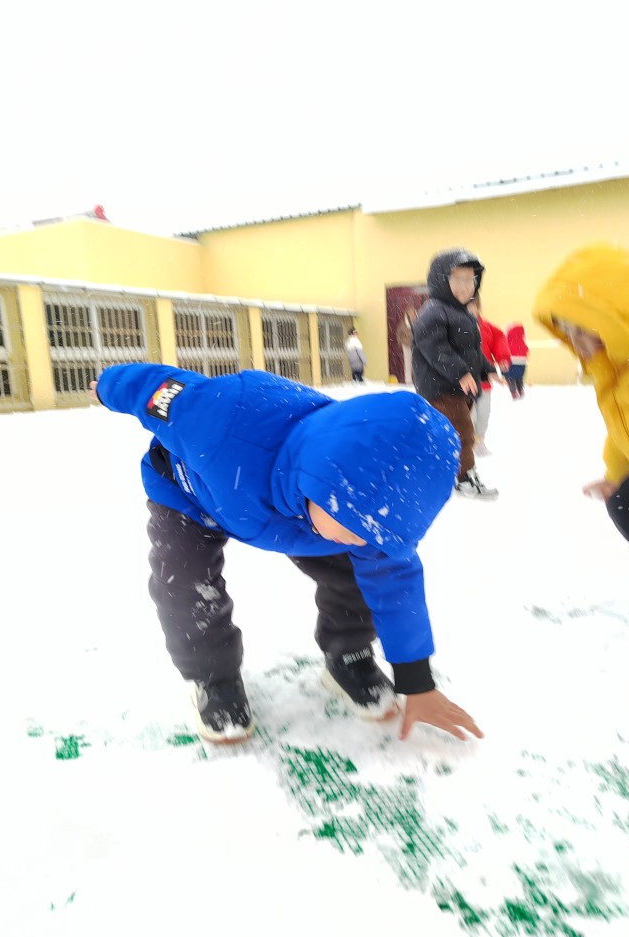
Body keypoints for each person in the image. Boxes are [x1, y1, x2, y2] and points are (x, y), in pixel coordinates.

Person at [88, 365, 484, 745]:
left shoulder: (363, 525)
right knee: (185, 583)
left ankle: (349, 656)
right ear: (325, 479)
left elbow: (396, 592)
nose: (361, 541)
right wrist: (109, 386)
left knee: (356, 576)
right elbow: (159, 388)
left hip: (291, 517)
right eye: (353, 525)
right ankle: (214, 679)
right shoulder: (224, 418)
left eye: (373, 535)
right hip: (191, 494)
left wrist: (417, 683)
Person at [534, 241, 629, 624]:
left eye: (584, 331)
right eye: (567, 332)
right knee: (626, 503)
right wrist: (615, 474)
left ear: (620, 320)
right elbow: (624, 428)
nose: (576, 344)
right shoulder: (618, 365)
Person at [412, 247, 498, 498]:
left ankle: (439, 472)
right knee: (462, 432)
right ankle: (465, 479)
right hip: (440, 387)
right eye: (458, 279)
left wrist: (487, 370)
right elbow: (436, 349)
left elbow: (470, 351)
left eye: (470, 280)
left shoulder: (462, 314)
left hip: (458, 388)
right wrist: (460, 372)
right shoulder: (433, 311)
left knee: (450, 433)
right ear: (441, 280)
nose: (466, 286)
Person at [468, 292, 511, 457]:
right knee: (469, 415)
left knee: (484, 414)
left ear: (477, 306)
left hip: (485, 382)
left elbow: (499, 340)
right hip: (465, 383)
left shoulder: (487, 328)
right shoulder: (455, 327)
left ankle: (480, 440)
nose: (469, 310)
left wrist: (502, 358)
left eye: (472, 306)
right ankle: (469, 443)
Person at [504, 322, 529, 399]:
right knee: (519, 377)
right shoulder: (522, 342)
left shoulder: (507, 341)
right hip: (521, 363)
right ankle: (520, 390)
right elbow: (526, 350)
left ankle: (513, 392)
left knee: (510, 378)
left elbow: (504, 350)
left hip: (510, 362)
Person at [395, 305, 418, 384]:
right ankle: (408, 380)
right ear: (407, 314)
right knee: (408, 363)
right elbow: (398, 335)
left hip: (417, 346)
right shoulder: (403, 324)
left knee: (417, 363)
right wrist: (403, 342)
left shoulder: (419, 323)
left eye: (413, 313)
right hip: (407, 347)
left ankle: (417, 380)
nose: (412, 315)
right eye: (410, 313)